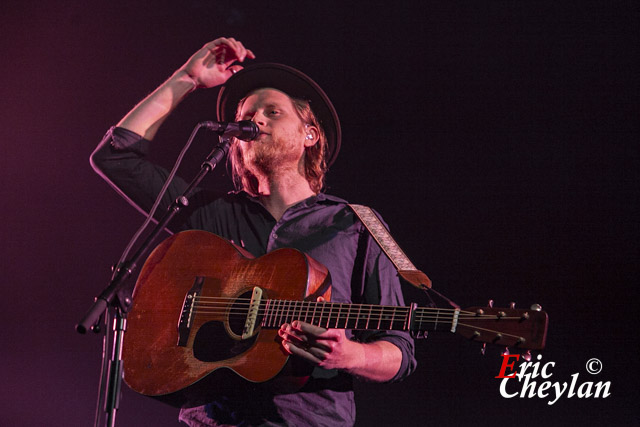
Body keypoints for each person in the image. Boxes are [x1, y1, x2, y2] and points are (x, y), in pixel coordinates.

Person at [91, 37, 416, 426]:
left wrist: (351, 355)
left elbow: (400, 351)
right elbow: (116, 157)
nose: (256, 119)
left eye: (272, 112)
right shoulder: (208, 213)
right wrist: (188, 78)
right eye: (249, 113)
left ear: (309, 135)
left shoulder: (361, 223)